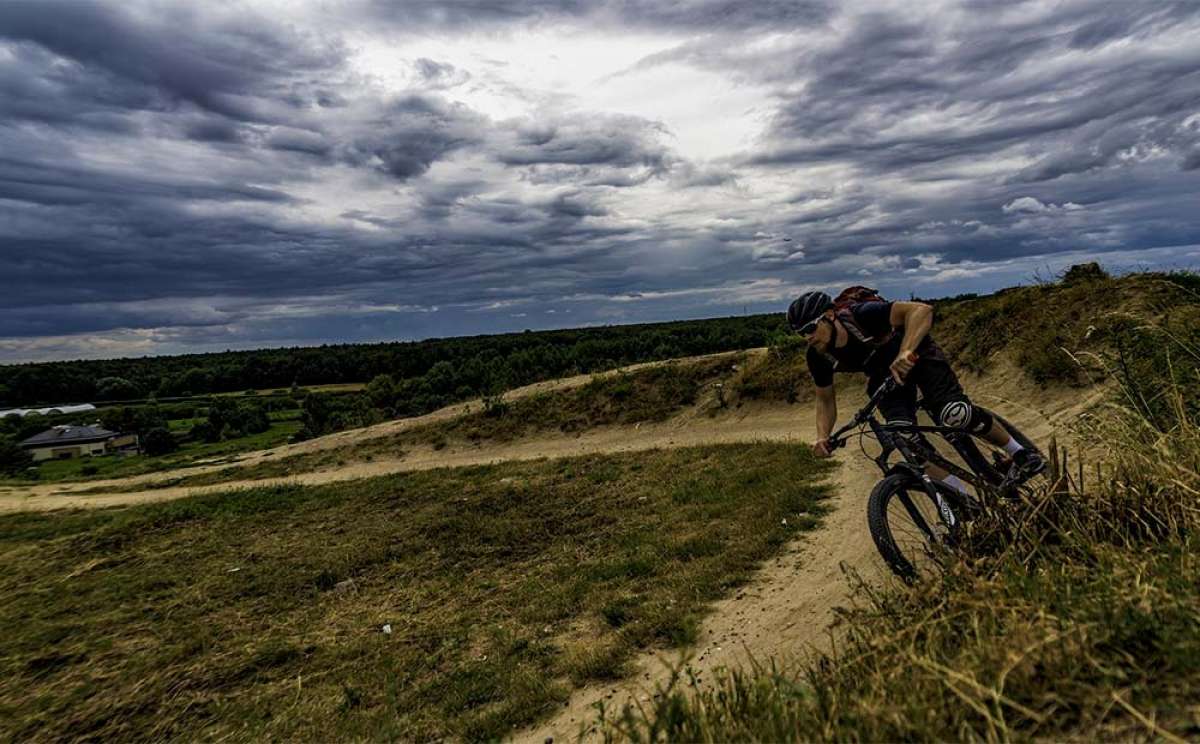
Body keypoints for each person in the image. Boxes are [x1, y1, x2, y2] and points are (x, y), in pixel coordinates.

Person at [786, 290, 1044, 494]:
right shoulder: (818, 357)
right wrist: (823, 436)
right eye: (799, 333)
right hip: (884, 376)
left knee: (955, 414)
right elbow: (825, 399)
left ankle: (1020, 453)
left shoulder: (862, 314)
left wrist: (906, 351)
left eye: (810, 328)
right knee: (905, 439)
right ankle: (960, 496)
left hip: (918, 355)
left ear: (830, 315)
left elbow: (921, 311)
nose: (806, 337)